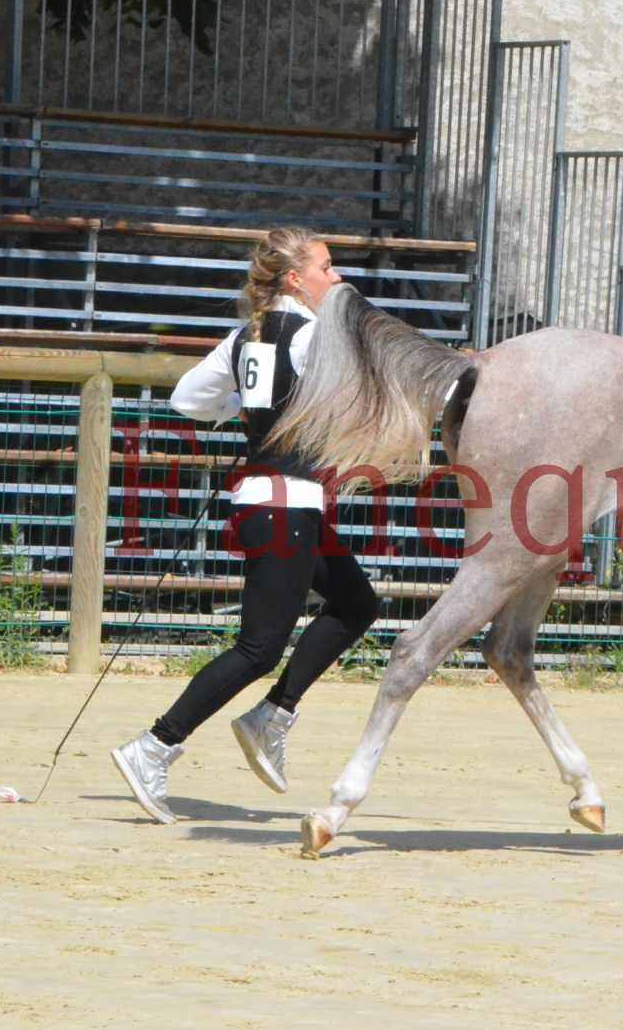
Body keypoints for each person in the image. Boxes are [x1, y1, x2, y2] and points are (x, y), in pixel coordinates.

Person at [111, 227, 380, 824]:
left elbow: (187, 400)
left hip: (276, 503)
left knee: (357, 603)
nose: (335, 277)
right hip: (285, 505)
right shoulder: (316, 335)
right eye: (327, 267)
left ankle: (273, 715)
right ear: (294, 278)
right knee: (258, 648)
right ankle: (155, 745)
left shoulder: (244, 335)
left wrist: (246, 407)